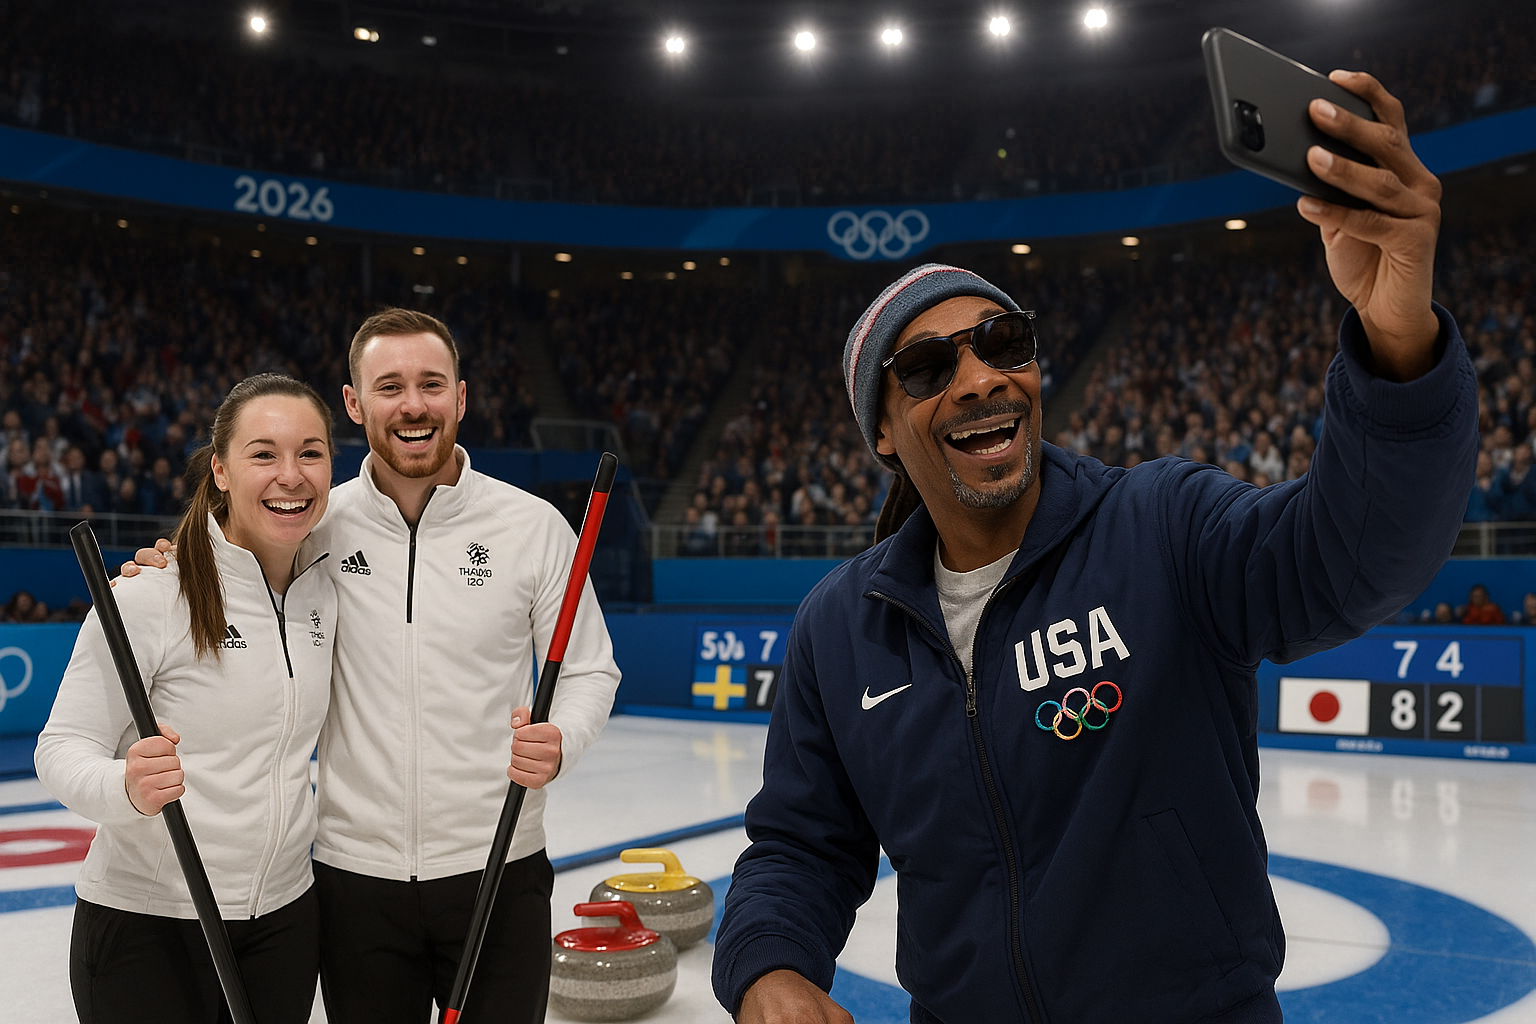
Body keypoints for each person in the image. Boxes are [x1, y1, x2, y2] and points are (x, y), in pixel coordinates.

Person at [713, 71, 1477, 1024]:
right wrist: (768, 967)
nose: (980, 378)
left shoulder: (1161, 524)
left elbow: (1355, 557)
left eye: (1005, 342)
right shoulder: (839, 626)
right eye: (927, 367)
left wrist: (1396, 331)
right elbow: (801, 844)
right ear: (880, 430)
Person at [129, 309, 622, 1024]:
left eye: (431, 384)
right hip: (352, 881)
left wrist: (562, 739)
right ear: (356, 403)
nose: (412, 404)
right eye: (389, 386)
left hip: (500, 868)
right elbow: (231, 560)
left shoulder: (535, 527)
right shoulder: (313, 522)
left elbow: (588, 672)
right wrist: (168, 565)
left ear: (461, 397)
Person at [35, 373, 338, 1024]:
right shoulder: (150, 595)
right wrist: (128, 787)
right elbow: (61, 748)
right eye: (264, 454)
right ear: (221, 470)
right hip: (152, 927)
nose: (291, 474)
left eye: (310, 452)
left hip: (285, 921)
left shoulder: (327, 586)